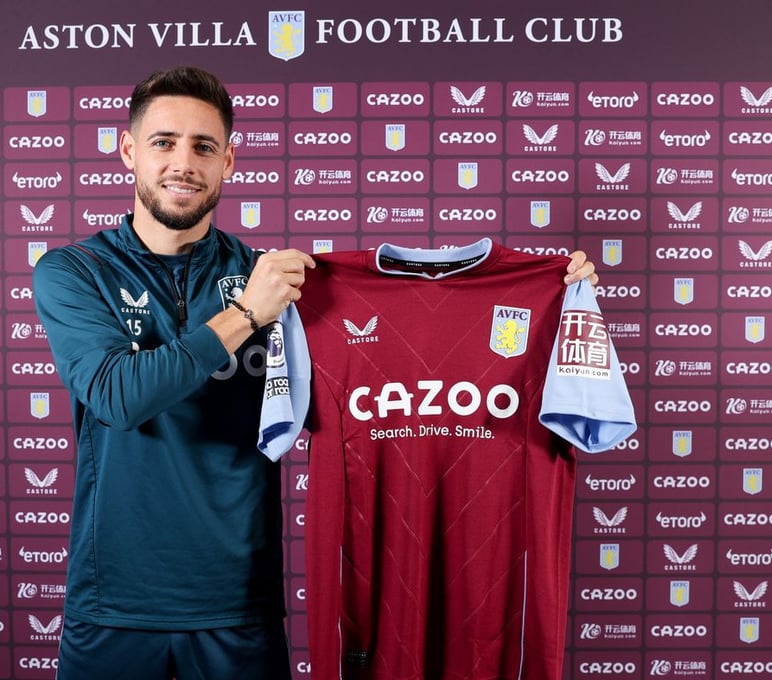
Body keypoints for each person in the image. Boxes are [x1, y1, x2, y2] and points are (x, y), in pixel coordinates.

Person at [31, 65, 600, 680]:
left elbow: (398, 358)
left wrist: (553, 294)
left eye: (204, 147)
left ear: (228, 161)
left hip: (238, 604)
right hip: (113, 602)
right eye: (164, 142)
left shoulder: (274, 279)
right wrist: (246, 315)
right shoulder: (74, 271)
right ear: (129, 150)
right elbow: (117, 396)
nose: (183, 163)